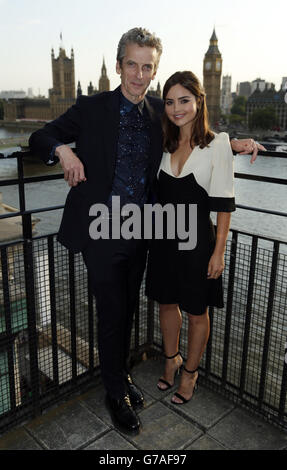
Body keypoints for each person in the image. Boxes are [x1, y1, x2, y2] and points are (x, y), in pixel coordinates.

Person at [29, 27, 264, 433]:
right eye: (132, 65)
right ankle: (114, 392)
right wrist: (63, 150)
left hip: (142, 231)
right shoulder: (92, 107)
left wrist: (234, 143)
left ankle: (120, 378)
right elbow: (41, 136)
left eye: (147, 67)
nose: (139, 74)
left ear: (154, 71)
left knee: (130, 310)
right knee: (111, 312)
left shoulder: (159, 110)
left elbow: (194, 134)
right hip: (101, 230)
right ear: (119, 66)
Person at [145, 70, 235, 405]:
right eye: (169, 101)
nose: (176, 108)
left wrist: (219, 253)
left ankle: (190, 374)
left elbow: (224, 205)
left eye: (184, 100)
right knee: (166, 303)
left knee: (198, 312)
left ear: (199, 101)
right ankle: (171, 360)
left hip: (198, 243)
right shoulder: (163, 143)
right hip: (164, 240)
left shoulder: (218, 145)